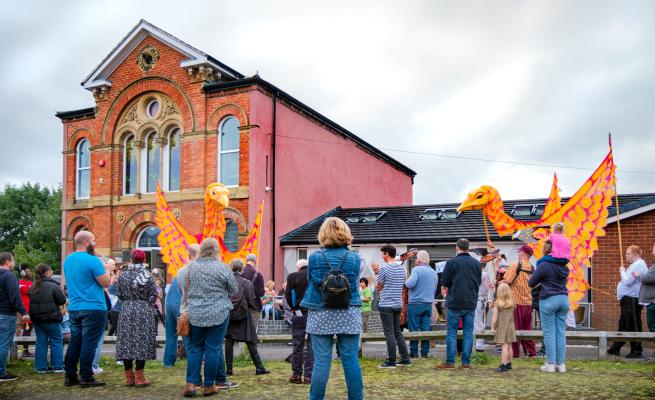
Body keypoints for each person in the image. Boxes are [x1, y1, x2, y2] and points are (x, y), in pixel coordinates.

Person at [301, 217, 363, 400]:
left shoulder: (314, 257)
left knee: (321, 361)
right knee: (350, 359)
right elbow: (353, 282)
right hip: (348, 310)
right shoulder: (354, 258)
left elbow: (310, 281)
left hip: (321, 311)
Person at [178, 238, 238, 397]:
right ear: (216, 250)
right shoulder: (222, 268)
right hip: (218, 313)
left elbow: (184, 289)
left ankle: (191, 384)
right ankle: (209, 385)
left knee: (195, 348)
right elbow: (233, 290)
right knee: (213, 348)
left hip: (195, 313)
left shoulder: (190, 268)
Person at [63, 231, 111, 388]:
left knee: (76, 342)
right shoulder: (93, 261)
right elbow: (106, 283)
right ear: (86, 242)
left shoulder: (68, 260)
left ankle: (70, 375)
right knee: (89, 343)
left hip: (75, 307)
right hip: (93, 307)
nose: (95, 243)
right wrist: (108, 269)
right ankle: (86, 376)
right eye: (94, 240)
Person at [115, 250, 157, 387]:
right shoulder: (148, 276)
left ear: (132, 260)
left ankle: (129, 378)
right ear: (144, 260)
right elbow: (153, 295)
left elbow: (120, 295)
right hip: (143, 311)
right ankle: (139, 378)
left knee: (126, 342)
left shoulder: (123, 275)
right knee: (141, 342)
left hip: (126, 310)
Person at [437, 238, 481, 369]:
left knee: (451, 332)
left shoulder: (451, 262)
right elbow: (478, 281)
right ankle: (466, 362)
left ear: (457, 248)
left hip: (454, 301)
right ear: (468, 247)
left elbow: (444, 282)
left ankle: (450, 361)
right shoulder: (476, 263)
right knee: (468, 332)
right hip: (470, 301)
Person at [528, 240, 570, 373]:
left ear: (546, 250)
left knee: (549, 333)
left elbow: (531, 282)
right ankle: (561, 365)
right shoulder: (565, 266)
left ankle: (551, 365)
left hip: (548, 299)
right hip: (563, 299)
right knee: (560, 333)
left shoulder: (544, 265)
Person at [225, 259, 270, 376]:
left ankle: (229, 369)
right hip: (244, 315)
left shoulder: (226, 282)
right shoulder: (246, 283)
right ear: (241, 269)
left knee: (229, 342)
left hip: (229, 315)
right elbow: (251, 301)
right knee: (250, 341)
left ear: (231, 268)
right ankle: (259, 367)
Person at [607, 245, 649, 358]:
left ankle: (636, 350)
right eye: (626, 253)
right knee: (624, 323)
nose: (626, 255)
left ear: (636, 254)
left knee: (633, 324)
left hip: (632, 299)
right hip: (627, 299)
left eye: (628, 253)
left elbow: (627, 281)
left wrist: (622, 271)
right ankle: (615, 348)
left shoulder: (639, 265)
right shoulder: (634, 265)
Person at [374, 244, 411, 369]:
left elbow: (378, 287)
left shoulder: (384, 269)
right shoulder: (402, 269)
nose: (381, 256)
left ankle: (391, 361)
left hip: (386, 304)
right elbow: (403, 281)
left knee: (389, 333)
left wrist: (376, 274)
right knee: (397, 332)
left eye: (382, 253)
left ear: (387, 254)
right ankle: (405, 358)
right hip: (398, 304)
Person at [163, 243, 199, 368]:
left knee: (170, 335)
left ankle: (168, 362)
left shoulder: (180, 271)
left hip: (169, 304)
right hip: (180, 305)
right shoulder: (192, 270)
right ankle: (192, 361)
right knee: (186, 334)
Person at [501, 245, 537, 358]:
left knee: (514, 329)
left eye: (519, 252)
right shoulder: (532, 268)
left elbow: (507, 280)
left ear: (523, 253)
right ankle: (531, 352)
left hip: (516, 302)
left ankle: (515, 353)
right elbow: (534, 284)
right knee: (527, 330)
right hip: (528, 302)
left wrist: (497, 283)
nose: (518, 253)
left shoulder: (516, 264)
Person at [29, 263, 67, 373]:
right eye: (51, 271)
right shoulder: (53, 286)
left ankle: (40, 367)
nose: (52, 272)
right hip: (52, 318)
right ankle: (58, 366)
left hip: (37, 319)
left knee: (41, 342)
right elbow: (62, 300)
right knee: (56, 341)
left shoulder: (33, 286)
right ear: (47, 272)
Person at [0, 252, 30, 381]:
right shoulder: (9, 276)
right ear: (7, 261)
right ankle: (1, 373)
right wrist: (23, 312)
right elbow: (15, 297)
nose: (14, 262)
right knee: (3, 344)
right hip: (6, 314)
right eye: (13, 260)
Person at [285, 258, 313, 384]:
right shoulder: (314, 276)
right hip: (313, 313)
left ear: (298, 267)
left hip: (298, 313)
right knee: (312, 346)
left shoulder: (292, 276)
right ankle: (309, 376)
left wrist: (292, 307)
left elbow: (288, 295)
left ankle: (296, 375)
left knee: (298, 345)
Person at [405, 250, 437, 359]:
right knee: (425, 329)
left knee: (413, 329)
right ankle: (424, 353)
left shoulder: (416, 270)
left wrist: (406, 280)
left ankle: (414, 353)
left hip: (415, 303)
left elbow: (410, 284)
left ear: (419, 259)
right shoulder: (433, 272)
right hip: (428, 304)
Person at [492, 283, 516, 372]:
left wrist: (492, 327)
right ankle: (509, 363)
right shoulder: (512, 303)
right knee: (510, 345)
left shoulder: (497, 303)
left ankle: (503, 364)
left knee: (504, 346)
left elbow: (494, 318)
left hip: (502, 327)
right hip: (511, 327)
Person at [633, 242, 655, 335]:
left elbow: (649, 278)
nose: (652, 252)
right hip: (652, 301)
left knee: (653, 327)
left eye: (654, 249)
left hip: (653, 302)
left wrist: (638, 276)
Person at [475, 255, 495, 352]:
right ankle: (479, 343)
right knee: (481, 322)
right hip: (482, 299)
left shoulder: (482, 274)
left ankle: (479, 345)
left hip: (479, 299)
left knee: (478, 322)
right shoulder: (485, 274)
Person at [242, 254, 265, 326]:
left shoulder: (240, 273)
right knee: (253, 330)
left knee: (243, 329)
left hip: (241, 305)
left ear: (246, 261)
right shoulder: (258, 274)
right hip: (254, 305)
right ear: (255, 261)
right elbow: (261, 293)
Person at [18, 264, 34, 357]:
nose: (30, 273)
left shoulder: (31, 282)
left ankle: (26, 350)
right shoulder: (20, 282)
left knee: (29, 329)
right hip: (25, 310)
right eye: (28, 271)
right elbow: (30, 291)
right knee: (26, 330)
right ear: (23, 273)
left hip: (32, 309)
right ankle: (25, 351)